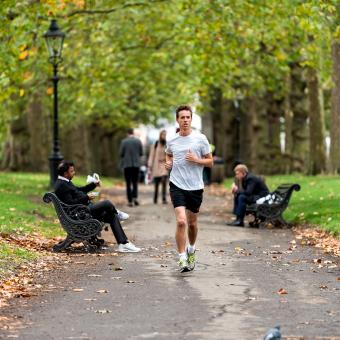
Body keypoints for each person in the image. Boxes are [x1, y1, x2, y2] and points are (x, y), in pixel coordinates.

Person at [165, 105, 213, 272]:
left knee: (192, 223)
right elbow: (169, 153)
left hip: (195, 186)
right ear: (177, 120)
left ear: (191, 119)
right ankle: (182, 258)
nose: (185, 120)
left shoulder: (200, 139)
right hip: (176, 184)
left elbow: (210, 161)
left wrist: (196, 160)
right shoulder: (172, 140)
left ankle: (191, 249)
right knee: (181, 221)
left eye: (188, 117)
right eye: (182, 117)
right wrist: (168, 162)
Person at [54, 161, 141, 253]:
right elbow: (71, 204)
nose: (74, 173)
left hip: (83, 210)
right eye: (72, 171)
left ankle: (123, 244)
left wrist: (93, 185)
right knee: (106, 203)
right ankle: (118, 213)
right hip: (81, 214)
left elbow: (80, 190)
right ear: (65, 173)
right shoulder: (61, 185)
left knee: (111, 216)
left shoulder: (65, 182)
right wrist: (86, 197)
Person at [119, 128, 143, 207]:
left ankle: (130, 200)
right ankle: (135, 197)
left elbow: (121, 153)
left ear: (127, 133)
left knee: (128, 183)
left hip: (127, 165)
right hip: (136, 165)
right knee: (135, 182)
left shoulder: (124, 142)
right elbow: (141, 153)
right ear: (133, 133)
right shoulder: (138, 141)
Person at [147, 130, 169, 204]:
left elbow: (170, 154)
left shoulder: (167, 144)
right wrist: (150, 165)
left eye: (165, 135)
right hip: (156, 165)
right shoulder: (155, 144)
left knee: (164, 181)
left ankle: (163, 198)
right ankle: (155, 198)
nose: (164, 136)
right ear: (160, 135)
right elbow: (151, 155)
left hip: (164, 165)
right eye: (163, 135)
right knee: (156, 183)